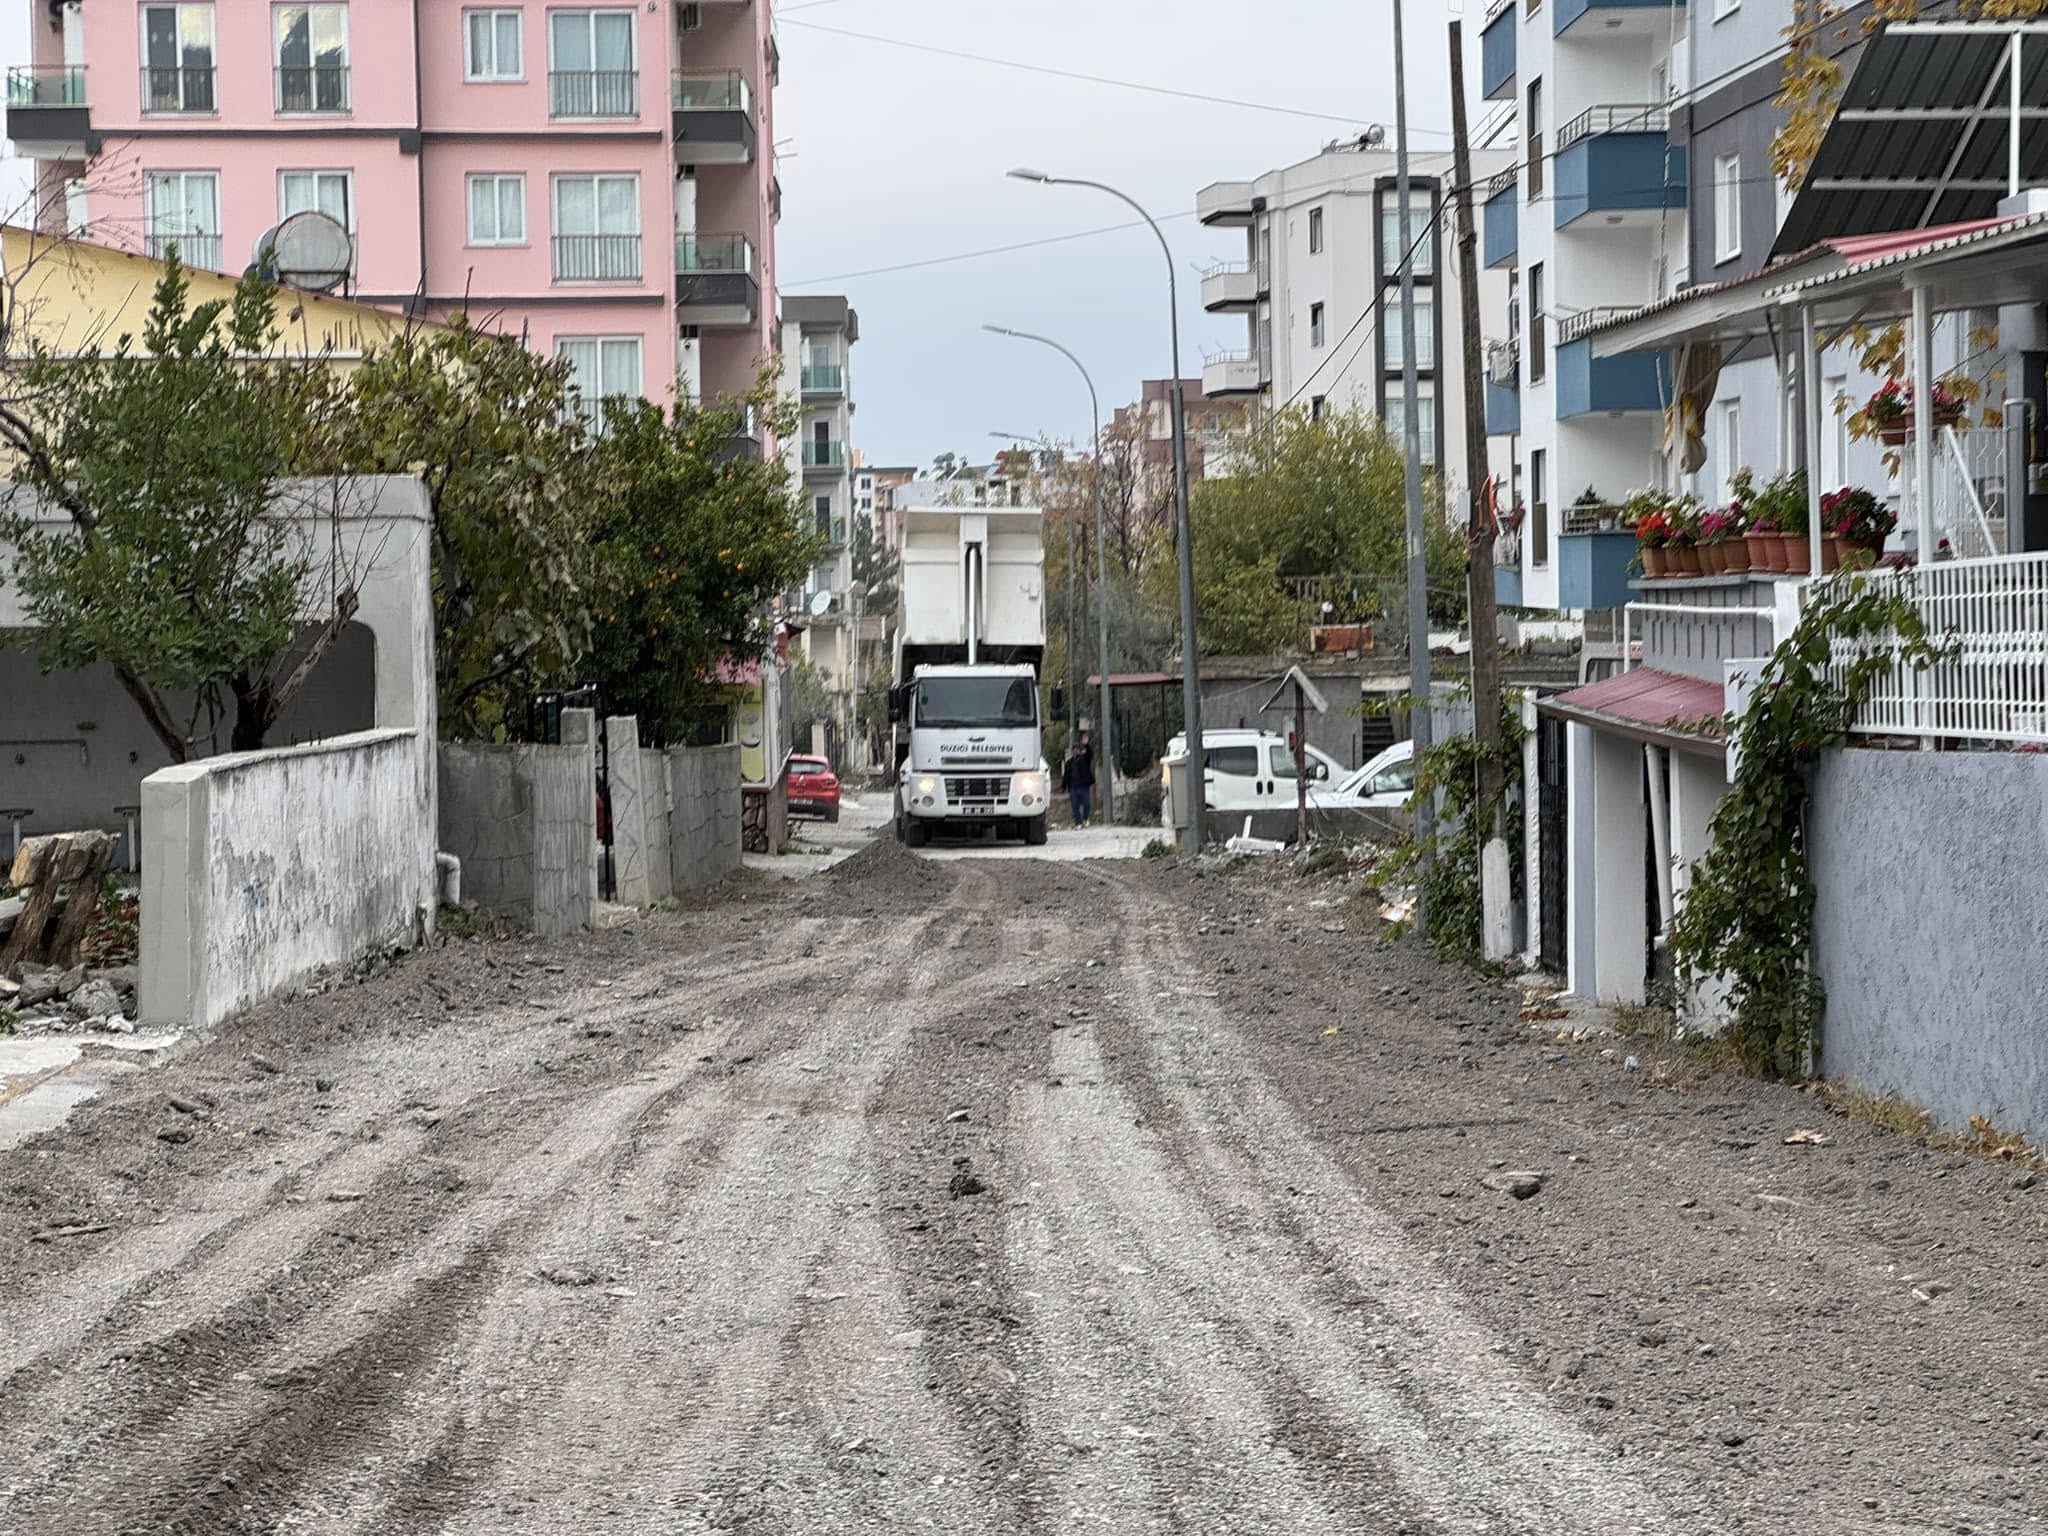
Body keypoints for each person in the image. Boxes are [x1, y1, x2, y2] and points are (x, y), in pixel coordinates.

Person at [1061, 731, 1096, 828]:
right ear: (1072, 751)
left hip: (1084, 786)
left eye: (1077, 749)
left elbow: (1090, 754)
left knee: (1087, 804)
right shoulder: (1069, 763)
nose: (1075, 751)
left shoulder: (1085, 759)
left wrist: (1086, 744)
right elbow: (1066, 776)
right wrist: (1063, 787)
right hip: (1073, 788)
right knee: (1075, 806)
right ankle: (1078, 823)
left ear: (1080, 751)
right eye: (1074, 749)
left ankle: (1085, 819)